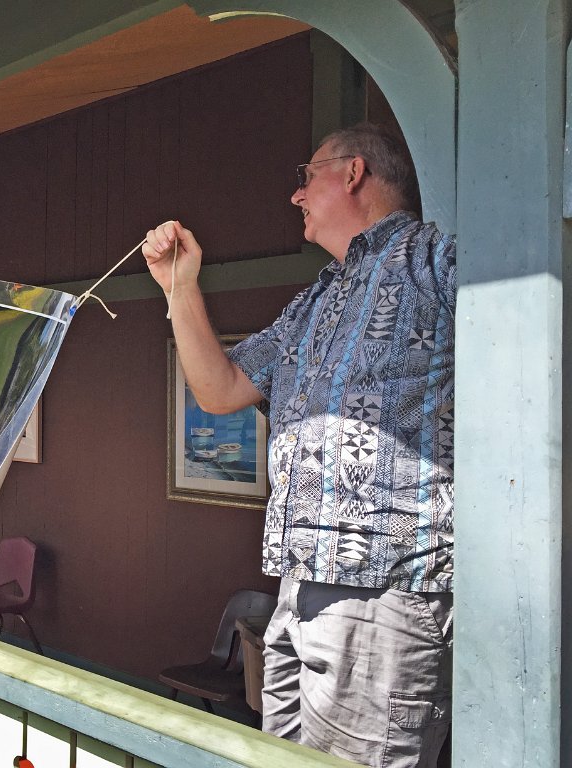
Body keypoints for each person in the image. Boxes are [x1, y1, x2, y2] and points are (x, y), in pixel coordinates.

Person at [143, 123, 454, 768]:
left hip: (385, 584)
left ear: (352, 173)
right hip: (296, 585)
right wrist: (179, 286)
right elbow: (220, 388)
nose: (295, 196)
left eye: (306, 175)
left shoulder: (436, 260)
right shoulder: (320, 296)